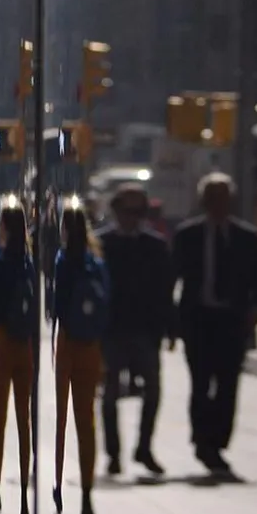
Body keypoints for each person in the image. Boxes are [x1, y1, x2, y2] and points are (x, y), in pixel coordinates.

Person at [171, 172, 257, 481]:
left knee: (228, 386)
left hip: (231, 321)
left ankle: (218, 441)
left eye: (224, 198)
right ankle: (203, 442)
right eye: (213, 199)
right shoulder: (188, 235)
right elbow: (171, 277)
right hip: (198, 319)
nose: (218, 205)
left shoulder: (247, 237)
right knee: (201, 384)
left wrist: (256, 312)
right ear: (204, 202)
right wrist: (171, 324)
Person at [96, 185, 174, 478]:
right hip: (112, 329)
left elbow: (165, 288)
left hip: (145, 328)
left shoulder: (155, 245)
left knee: (152, 390)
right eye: (127, 211)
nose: (132, 218)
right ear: (116, 211)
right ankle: (114, 454)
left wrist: (168, 327)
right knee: (110, 394)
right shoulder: (102, 244)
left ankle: (144, 447)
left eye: (138, 212)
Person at [47, 200, 110, 514]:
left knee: (62, 421)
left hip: (69, 343)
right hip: (92, 346)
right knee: (87, 422)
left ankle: (59, 491)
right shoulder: (96, 262)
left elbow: (54, 308)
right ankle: (87, 496)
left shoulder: (62, 260)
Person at [0, 198, 36, 514]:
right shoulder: (28, 262)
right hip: (25, 344)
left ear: (4, 226)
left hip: (3, 340)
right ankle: (25, 497)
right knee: (23, 421)